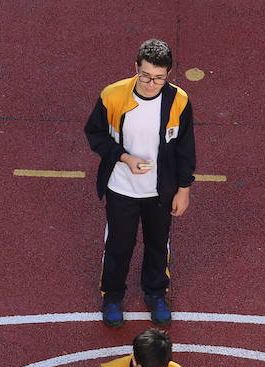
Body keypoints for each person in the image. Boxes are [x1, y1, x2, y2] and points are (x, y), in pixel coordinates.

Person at [84, 38, 197, 328]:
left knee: (158, 245)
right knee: (119, 245)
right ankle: (112, 297)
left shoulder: (179, 100)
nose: (150, 83)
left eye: (159, 78)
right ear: (136, 67)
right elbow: (95, 133)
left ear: (168, 75)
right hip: (121, 188)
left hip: (160, 191)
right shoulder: (113, 95)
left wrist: (183, 189)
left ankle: (156, 294)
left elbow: (186, 149)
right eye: (146, 75)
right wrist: (123, 157)